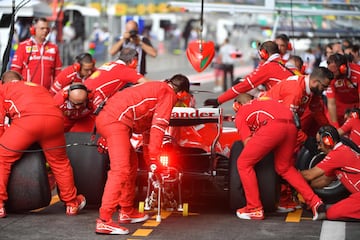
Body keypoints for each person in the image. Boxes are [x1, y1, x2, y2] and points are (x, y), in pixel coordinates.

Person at [94, 74, 190, 235]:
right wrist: (154, 159)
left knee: (131, 165)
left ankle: (126, 211)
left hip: (111, 119)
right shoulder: (168, 94)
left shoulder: (156, 88)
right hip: (116, 122)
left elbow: (147, 132)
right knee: (121, 170)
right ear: (182, 94)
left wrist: (150, 160)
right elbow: (158, 128)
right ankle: (104, 220)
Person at [0, 71, 85, 218]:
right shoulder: (38, 87)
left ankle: (0, 205)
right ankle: (71, 203)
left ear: (3, 82)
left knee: (2, 159)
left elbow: (1, 121)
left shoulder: (2, 90)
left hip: (27, 122)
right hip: (55, 121)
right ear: (22, 79)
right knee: (60, 163)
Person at [235, 97, 325, 221]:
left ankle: (254, 208)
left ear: (236, 105)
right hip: (291, 126)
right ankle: (316, 202)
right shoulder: (265, 100)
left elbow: (248, 143)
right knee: (285, 168)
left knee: (243, 163)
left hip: (273, 127)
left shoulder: (240, 112)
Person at [204, 41, 295, 107]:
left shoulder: (269, 67)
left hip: (282, 104)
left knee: (240, 89)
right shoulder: (285, 63)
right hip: (293, 102)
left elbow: (244, 85)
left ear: (263, 54)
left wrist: (219, 100)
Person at [301, 125, 360, 220]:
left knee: (332, 213)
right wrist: (305, 188)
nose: (319, 147)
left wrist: (290, 175)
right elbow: (324, 180)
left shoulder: (338, 153)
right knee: (332, 210)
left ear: (328, 141)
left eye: (319, 143)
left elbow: (309, 175)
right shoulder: (342, 151)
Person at [84, 48, 149, 111]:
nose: (137, 64)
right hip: (95, 99)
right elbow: (148, 83)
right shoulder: (124, 70)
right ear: (133, 61)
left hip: (81, 92)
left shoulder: (108, 64)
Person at [10, 18, 62, 90]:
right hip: (28, 92)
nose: (45, 31)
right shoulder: (23, 46)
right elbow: (15, 71)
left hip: (47, 92)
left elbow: (58, 72)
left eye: (47, 28)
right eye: (42, 28)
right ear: (33, 30)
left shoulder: (53, 47)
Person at [326, 53, 360, 127]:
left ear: (343, 68)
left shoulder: (358, 73)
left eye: (334, 72)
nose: (332, 75)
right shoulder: (329, 76)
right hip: (338, 106)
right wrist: (336, 127)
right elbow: (331, 104)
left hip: (356, 106)